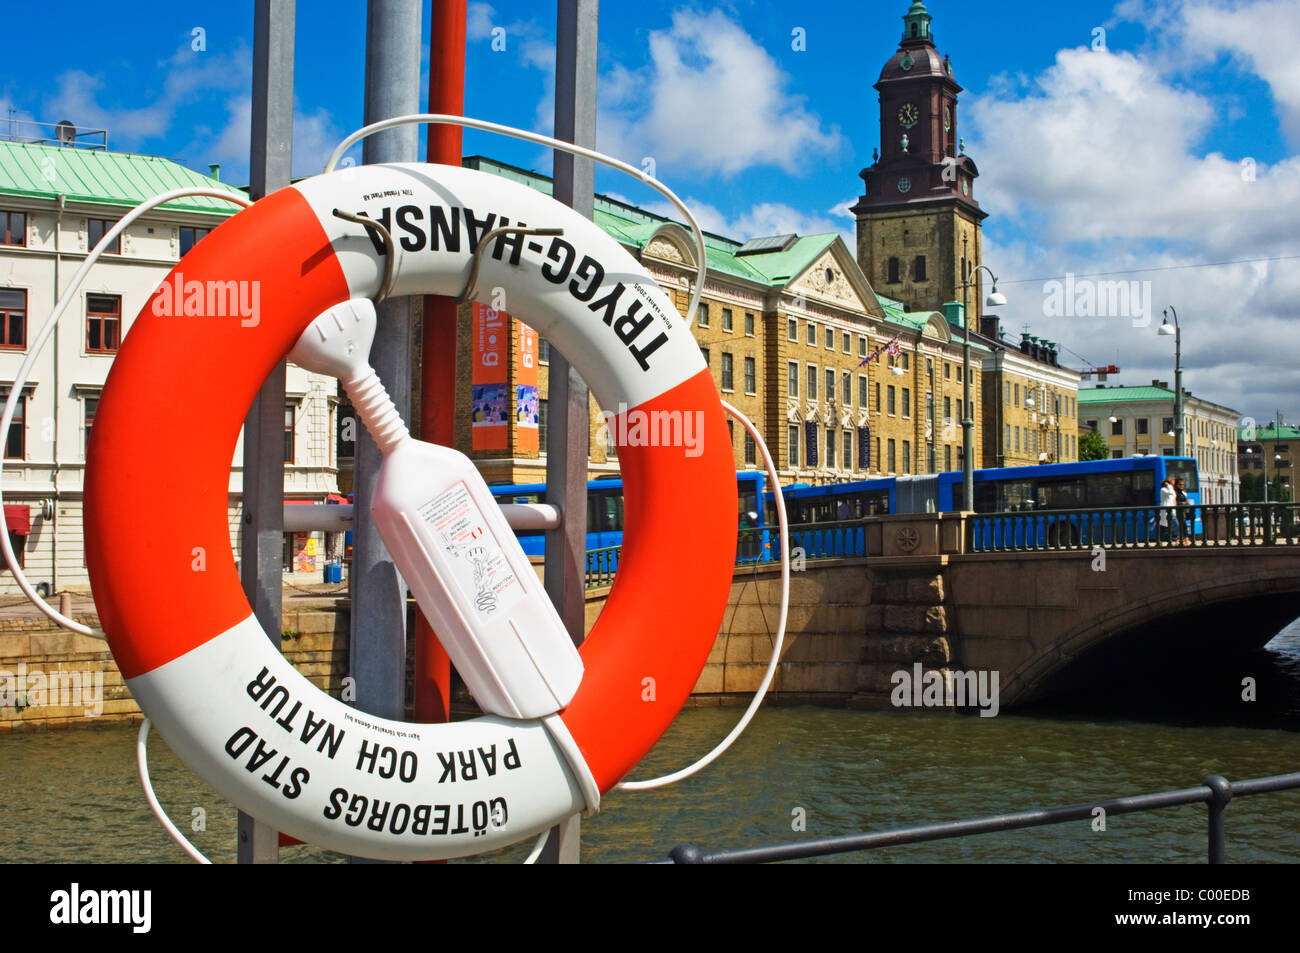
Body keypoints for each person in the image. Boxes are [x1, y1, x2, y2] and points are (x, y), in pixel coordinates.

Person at [1158, 478, 1177, 543]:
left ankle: (1165, 539)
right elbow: (1171, 493)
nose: (1174, 483)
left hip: (1171, 510)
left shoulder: (1171, 489)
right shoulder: (1163, 489)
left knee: (1166, 526)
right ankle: (1174, 537)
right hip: (1166, 510)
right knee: (1174, 524)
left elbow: (1173, 496)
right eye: (1173, 481)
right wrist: (1168, 485)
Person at [1174, 478, 1192, 544]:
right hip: (1178, 512)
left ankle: (1185, 539)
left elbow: (1186, 501)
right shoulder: (1175, 492)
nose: (1182, 486)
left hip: (1183, 511)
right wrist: (1182, 503)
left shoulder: (1182, 492)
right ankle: (1180, 540)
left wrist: (1187, 504)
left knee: (1183, 525)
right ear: (1176, 485)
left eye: (1183, 484)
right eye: (1180, 484)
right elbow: (1174, 502)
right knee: (1179, 526)